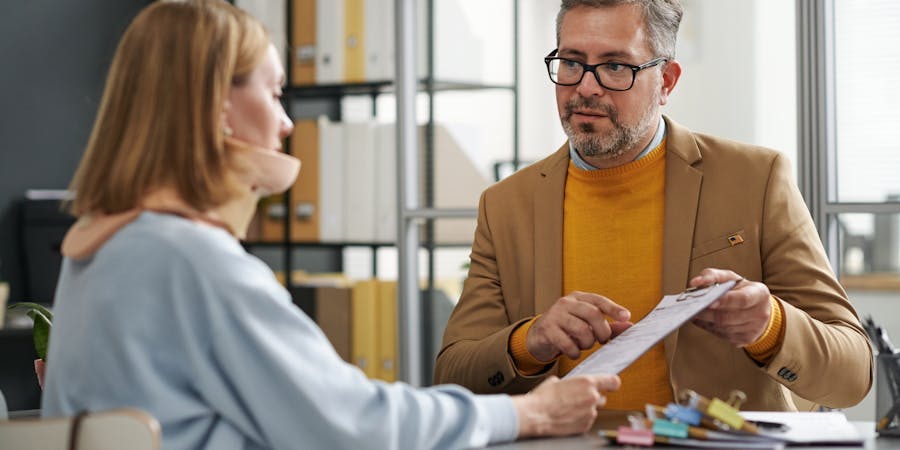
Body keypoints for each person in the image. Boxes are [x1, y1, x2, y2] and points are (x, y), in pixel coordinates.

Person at [40, 1, 623, 449]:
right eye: (273, 94)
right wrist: (530, 413)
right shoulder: (191, 258)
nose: (288, 124)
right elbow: (353, 424)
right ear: (219, 107)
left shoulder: (100, 244)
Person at [434, 0, 873, 412]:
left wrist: (770, 327)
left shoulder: (756, 179)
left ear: (666, 81)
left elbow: (854, 372)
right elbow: (452, 376)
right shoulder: (505, 204)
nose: (586, 86)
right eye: (571, 62)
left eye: (614, 66)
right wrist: (530, 342)